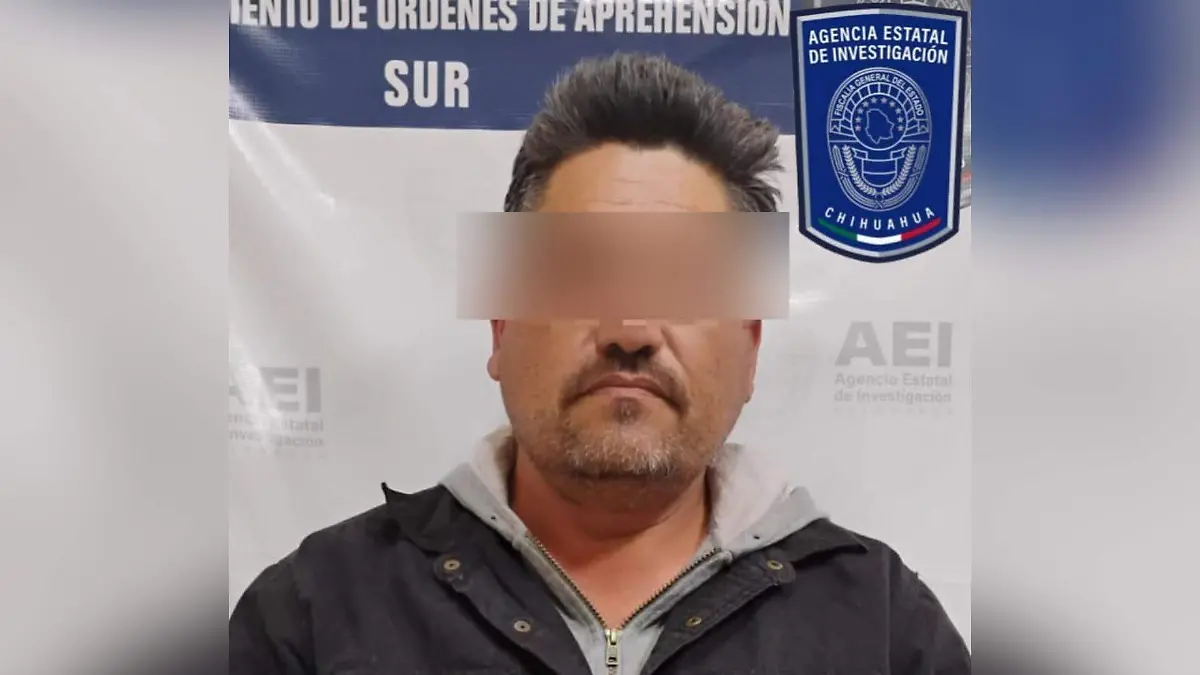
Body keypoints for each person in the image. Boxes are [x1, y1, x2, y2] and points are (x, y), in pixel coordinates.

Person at [229, 52, 970, 675]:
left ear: (750, 346)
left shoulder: (884, 631)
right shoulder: (313, 617)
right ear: (500, 325)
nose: (630, 330)